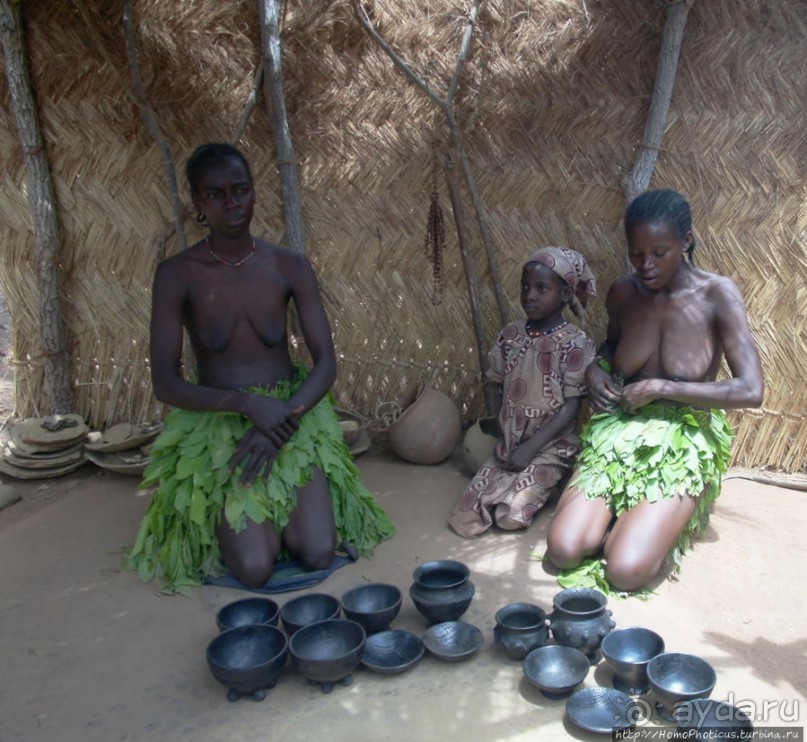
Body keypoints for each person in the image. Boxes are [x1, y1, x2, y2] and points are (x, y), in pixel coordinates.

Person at [126, 143, 393, 592]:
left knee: (317, 552)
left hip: (292, 417)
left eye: (241, 190)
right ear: (198, 204)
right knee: (254, 568)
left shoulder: (289, 266)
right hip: (220, 420)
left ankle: (280, 515)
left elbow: (326, 363)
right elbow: (166, 383)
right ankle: (243, 520)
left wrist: (282, 420)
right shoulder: (178, 274)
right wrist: (245, 405)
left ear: (254, 193)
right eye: (215, 194)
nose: (231, 203)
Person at [546, 189, 764, 592]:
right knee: (564, 551)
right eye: (636, 253)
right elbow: (611, 347)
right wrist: (598, 369)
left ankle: (662, 515)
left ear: (686, 241)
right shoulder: (624, 293)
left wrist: (663, 387)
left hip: (683, 442)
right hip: (619, 432)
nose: (645, 265)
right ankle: (630, 517)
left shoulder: (717, 294)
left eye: (659, 252)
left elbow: (752, 390)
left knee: (625, 571)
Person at [448, 246, 597, 537]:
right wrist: (504, 435)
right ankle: (517, 483)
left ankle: (540, 481)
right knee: (464, 513)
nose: (530, 295)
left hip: (552, 444)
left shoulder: (575, 343)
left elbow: (571, 407)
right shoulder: (510, 335)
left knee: (511, 515)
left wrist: (531, 447)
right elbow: (495, 385)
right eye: (525, 286)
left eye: (542, 288)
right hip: (512, 441)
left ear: (566, 294)